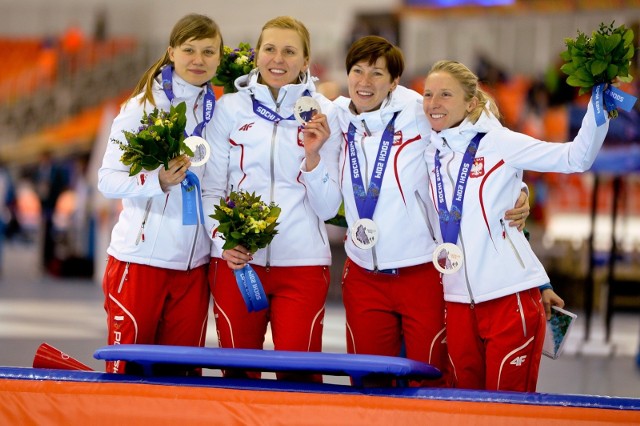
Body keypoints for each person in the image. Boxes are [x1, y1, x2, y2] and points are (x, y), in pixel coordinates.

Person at [302, 36, 530, 387]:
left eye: (377, 73)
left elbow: (487, 141)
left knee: (430, 382)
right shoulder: (336, 117)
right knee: (368, 385)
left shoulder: (418, 111)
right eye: (357, 71)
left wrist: (519, 191)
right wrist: (314, 161)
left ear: (394, 81)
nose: (365, 82)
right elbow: (328, 206)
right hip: (363, 276)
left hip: (422, 273)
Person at [421, 60, 610, 391]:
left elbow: (575, 159)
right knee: (462, 411)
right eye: (428, 94)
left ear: (471, 102)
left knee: (507, 410)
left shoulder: (500, 142)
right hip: (456, 302)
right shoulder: (429, 152)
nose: (434, 103)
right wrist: (520, 191)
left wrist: (600, 103)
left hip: (509, 299)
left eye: (445, 94)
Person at [201, 16, 342, 382]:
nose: (278, 59)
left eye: (289, 51)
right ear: (257, 54)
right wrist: (223, 240)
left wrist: (313, 157)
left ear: (305, 60)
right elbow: (212, 190)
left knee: (299, 380)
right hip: (237, 264)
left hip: (302, 264)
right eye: (270, 49)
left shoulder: (324, 113)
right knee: (237, 377)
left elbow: (328, 209)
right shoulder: (230, 108)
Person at [97, 13, 223, 375]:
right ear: (171, 52)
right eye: (189, 50)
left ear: (219, 57)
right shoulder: (142, 107)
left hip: (193, 267)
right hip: (140, 263)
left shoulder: (221, 111)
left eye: (208, 51)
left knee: (181, 379)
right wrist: (158, 181)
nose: (198, 59)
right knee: (127, 374)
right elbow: (107, 179)